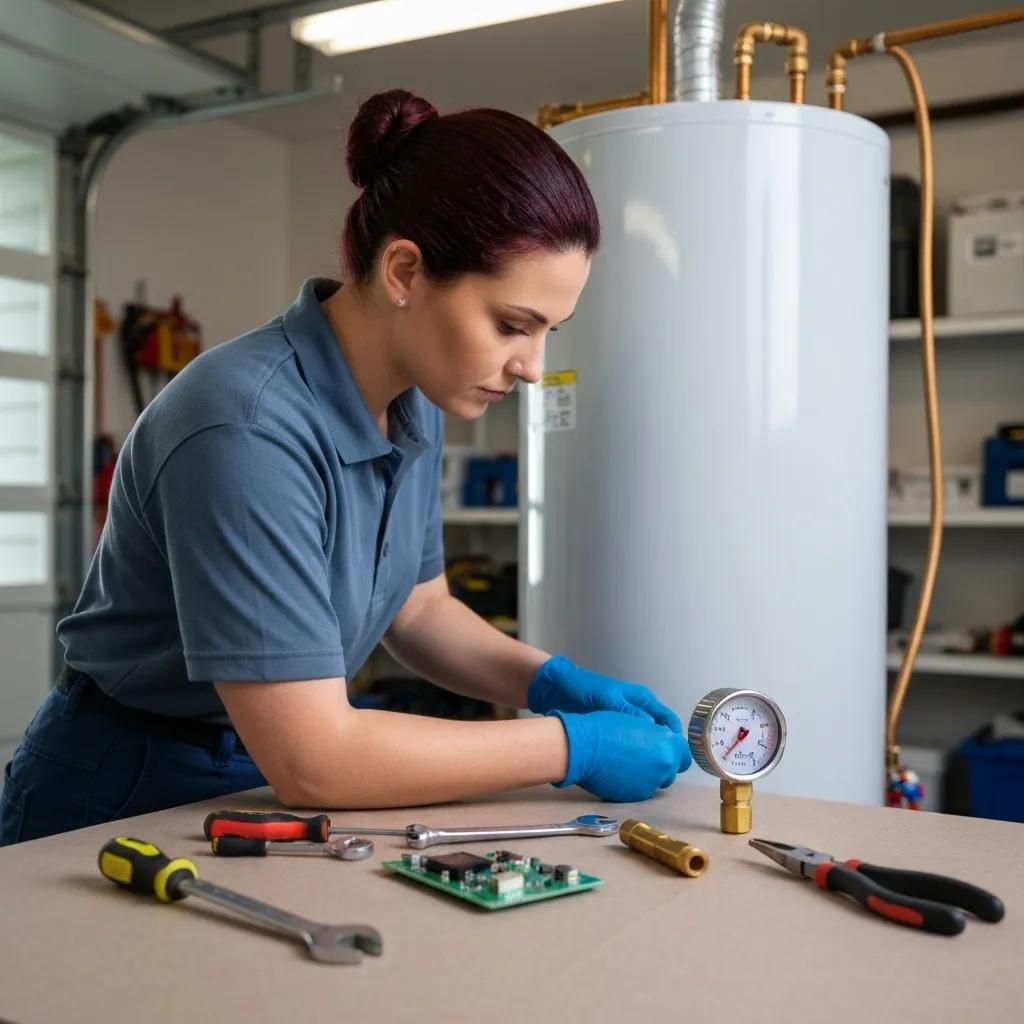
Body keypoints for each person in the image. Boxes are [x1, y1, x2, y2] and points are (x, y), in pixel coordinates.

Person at [0, 89, 689, 846]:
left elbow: (419, 610)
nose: (532, 367)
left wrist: (549, 679)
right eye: (511, 325)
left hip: (256, 771)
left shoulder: (414, 399)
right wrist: (571, 746)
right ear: (403, 271)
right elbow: (316, 756)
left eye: (550, 330)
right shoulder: (247, 428)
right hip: (127, 779)